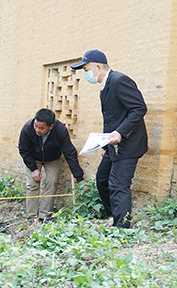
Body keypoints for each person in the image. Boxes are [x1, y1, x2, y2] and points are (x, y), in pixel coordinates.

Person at [71, 50, 147, 228]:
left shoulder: (120, 81)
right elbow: (112, 117)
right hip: (112, 144)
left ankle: (122, 229)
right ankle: (114, 216)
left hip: (128, 144)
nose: (86, 73)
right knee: (103, 179)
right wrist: (105, 142)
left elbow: (138, 108)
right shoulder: (105, 85)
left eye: (86, 69)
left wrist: (120, 132)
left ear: (97, 66)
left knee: (118, 184)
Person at [19, 108, 85, 222]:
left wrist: (79, 178)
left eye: (41, 128)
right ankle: (32, 219)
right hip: (33, 158)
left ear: (51, 126)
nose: (37, 130)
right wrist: (34, 169)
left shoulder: (60, 130)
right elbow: (23, 149)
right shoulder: (28, 127)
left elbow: (69, 153)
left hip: (52, 159)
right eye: (36, 126)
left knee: (51, 182)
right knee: (33, 184)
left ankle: (44, 217)